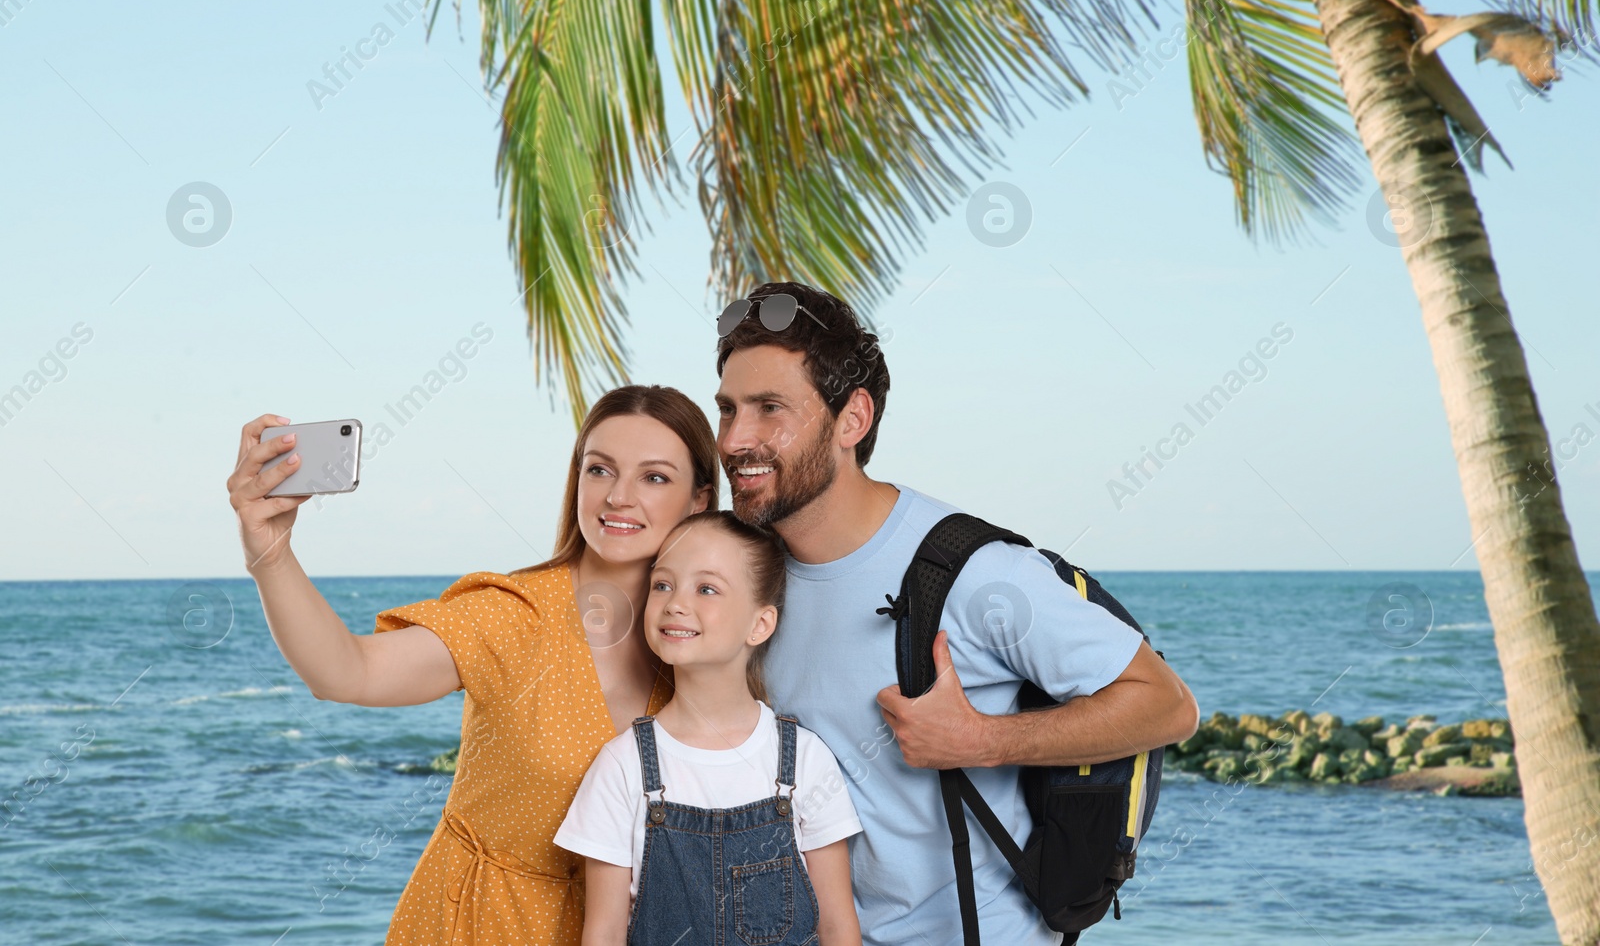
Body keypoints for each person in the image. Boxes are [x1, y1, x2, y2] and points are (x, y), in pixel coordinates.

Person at [710, 281, 1202, 946]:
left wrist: (981, 740)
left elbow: (1168, 706)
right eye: (729, 410)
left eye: (770, 409)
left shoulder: (975, 571)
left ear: (852, 419)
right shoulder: (745, 578)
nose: (737, 438)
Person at [225, 385, 721, 945]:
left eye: (654, 477)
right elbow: (347, 671)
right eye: (600, 470)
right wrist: (268, 550)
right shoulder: (512, 615)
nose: (619, 497)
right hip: (477, 925)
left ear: (700, 500)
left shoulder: (704, 643)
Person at [554, 510, 863, 946]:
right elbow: (603, 932)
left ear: (760, 624)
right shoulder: (622, 767)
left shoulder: (805, 759)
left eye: (706, 588)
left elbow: (837, 927)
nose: (675, 603)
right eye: (662, 584)